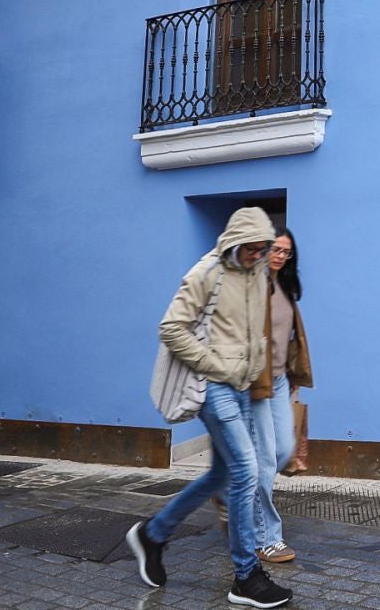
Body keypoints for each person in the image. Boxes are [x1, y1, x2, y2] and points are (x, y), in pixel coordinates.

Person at [127, 207, 292, 609]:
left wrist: (255, 373)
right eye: (251, 249)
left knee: (223, 473)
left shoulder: (257, 273)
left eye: (262, 249)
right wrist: (214, 365)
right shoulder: (207, 272)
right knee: (246, 470)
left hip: (243, 386)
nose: (257, 256)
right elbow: (170, 327)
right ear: (235, 242)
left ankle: (153, 533)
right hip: (212, 385)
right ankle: (246, 576)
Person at [249, 228, 312, 564]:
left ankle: (237, 494)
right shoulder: (252, 286)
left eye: (286, 252)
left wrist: (294, 380)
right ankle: (267, 538)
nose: (280, 255)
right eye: (275, 248)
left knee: (284, 450)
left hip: (279, 383)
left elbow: (289, 340)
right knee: (265, 460)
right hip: (254, 385)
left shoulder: (287, 288)